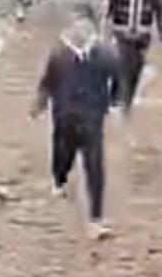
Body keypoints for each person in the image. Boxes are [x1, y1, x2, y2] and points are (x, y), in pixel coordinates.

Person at [32, 12, 120, 240]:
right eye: (77, 29)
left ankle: (96, 218)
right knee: (63, 153)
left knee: (95, 167)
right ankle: (59, 180)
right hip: (64, 117)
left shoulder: (104, 55)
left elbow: (118, 80)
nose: (81, 34)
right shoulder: (59, 54)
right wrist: (39, 104)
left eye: (85, 29)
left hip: (92, 118)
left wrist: (113, 103)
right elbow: (47, 83)